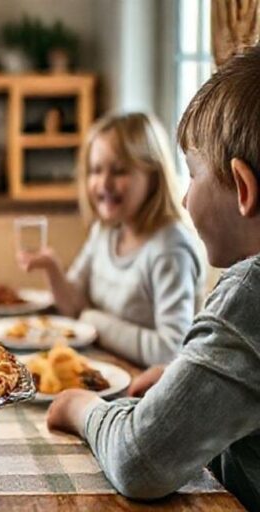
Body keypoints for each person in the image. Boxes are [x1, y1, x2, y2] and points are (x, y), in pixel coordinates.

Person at [46, 45, 260, 510]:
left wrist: (81, 408)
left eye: (193, 176)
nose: (185, 200)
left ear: (243, 189)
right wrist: (185, 386)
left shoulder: (250, 295)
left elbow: (139, 462)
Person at [18, 112, 203, 367]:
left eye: (119, 171)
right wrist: (52, 267)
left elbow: (171, 351)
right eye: (95, 170)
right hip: (106, 370)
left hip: (144, 392)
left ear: (153, 175)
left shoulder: (170, 247)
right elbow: (73, 308)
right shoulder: (105, 232)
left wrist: (94, 322)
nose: (104, 183)